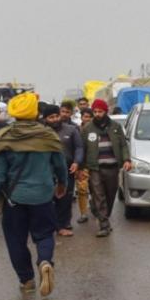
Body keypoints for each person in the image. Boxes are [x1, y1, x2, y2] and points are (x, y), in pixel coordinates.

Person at [0, 92, 67, 296]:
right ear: (36, 112)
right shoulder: (48, 137)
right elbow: (60, 166)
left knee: (15, 239)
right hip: (43, 196)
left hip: (14, 199)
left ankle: (26, 280)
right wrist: (62, 184)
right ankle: (45, 260)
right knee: (45, 234)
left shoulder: (4, 138)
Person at [81, 99, 130, 237]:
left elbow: (123, 145)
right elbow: (82, 149)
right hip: (95, 168)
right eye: (95, 111)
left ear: (105, 111)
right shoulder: (87, 129)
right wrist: (82, 167)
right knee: (99, 195)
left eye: (100, 111)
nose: (97, 114)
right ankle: (103, 225)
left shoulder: (115, 127)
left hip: (113, 168)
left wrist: (126, 159)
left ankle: (104, 217)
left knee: (110, 195)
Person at [45, 107, 82, 237]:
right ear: (45, 119)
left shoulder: (71, 130)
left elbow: (78, 147)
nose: (55, 119)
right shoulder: (41, 133)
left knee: (65, 199)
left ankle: (62, 225)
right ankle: (50, 225)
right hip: (46, 171)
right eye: (51, 117)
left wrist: (77, 162)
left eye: (56, 116)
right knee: (48, 199)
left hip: (67, 170)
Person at [74, 108, 93, 223]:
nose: (87, 119)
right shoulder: (76, 130)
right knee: (82, 190)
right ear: (81, 118)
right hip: (82, 165)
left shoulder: (97, 130)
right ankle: (83, 213)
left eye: (89, 117)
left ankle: (96, 209)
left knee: (96, 190)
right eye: (85, 116)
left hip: (95, 165)